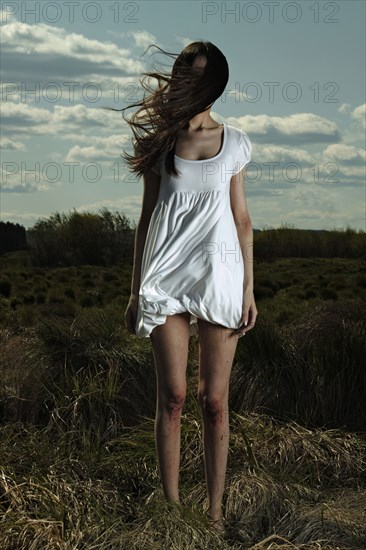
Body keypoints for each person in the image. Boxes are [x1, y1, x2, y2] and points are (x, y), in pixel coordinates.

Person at [120, 41, 258, 534]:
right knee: (174, 398)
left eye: (197, 76)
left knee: (214, 400)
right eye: (184, 73)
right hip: (165, 277)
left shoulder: (236, 142)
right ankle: (173, 514)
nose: (187, 83)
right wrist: (136, 290)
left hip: (220, 277)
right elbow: (144, 219)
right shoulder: (161, 142)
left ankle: (215, 515)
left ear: (214, 83)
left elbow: (242, 220)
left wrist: (249, 289)